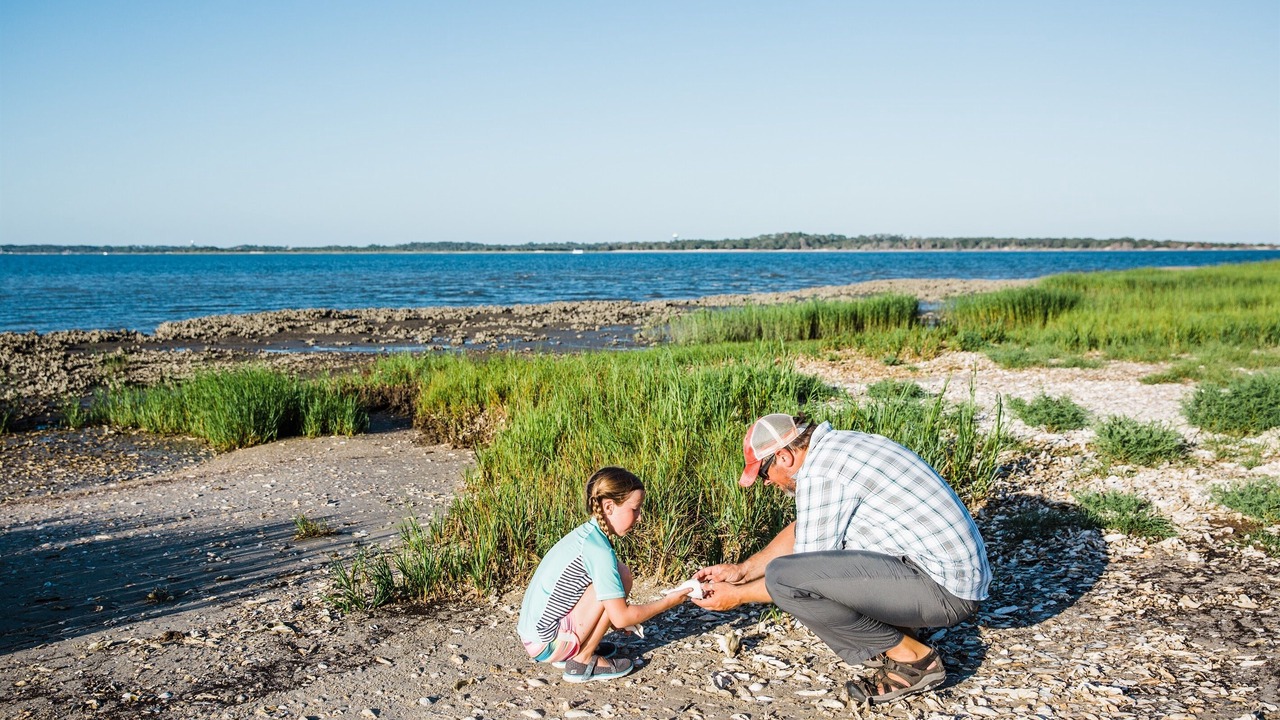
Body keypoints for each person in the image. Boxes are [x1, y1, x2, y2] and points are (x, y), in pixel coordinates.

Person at [693, 413, 990, 705]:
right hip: (947, 576)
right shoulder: (838, 448)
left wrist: (738, 596)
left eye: (763, 474)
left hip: (946, 593)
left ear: (783, 456)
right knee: (796, 574)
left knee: (785, 579)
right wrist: (743, 571)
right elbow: (805, 528)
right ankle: (899, 634)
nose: (767, 482)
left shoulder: (821, 472)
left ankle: (915, 661)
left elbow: (799, 574)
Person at [517, 466, 693, 683]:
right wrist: (669, 602)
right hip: (546, 644)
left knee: (621, 573)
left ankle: (580, 648)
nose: (639, 517)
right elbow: (622, 617)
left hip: (534, 637)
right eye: (635, 509)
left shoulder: (586, 536)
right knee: (617, 579)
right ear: (608, 506)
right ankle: (582, 661)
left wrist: (614, 618)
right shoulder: (599, 551)